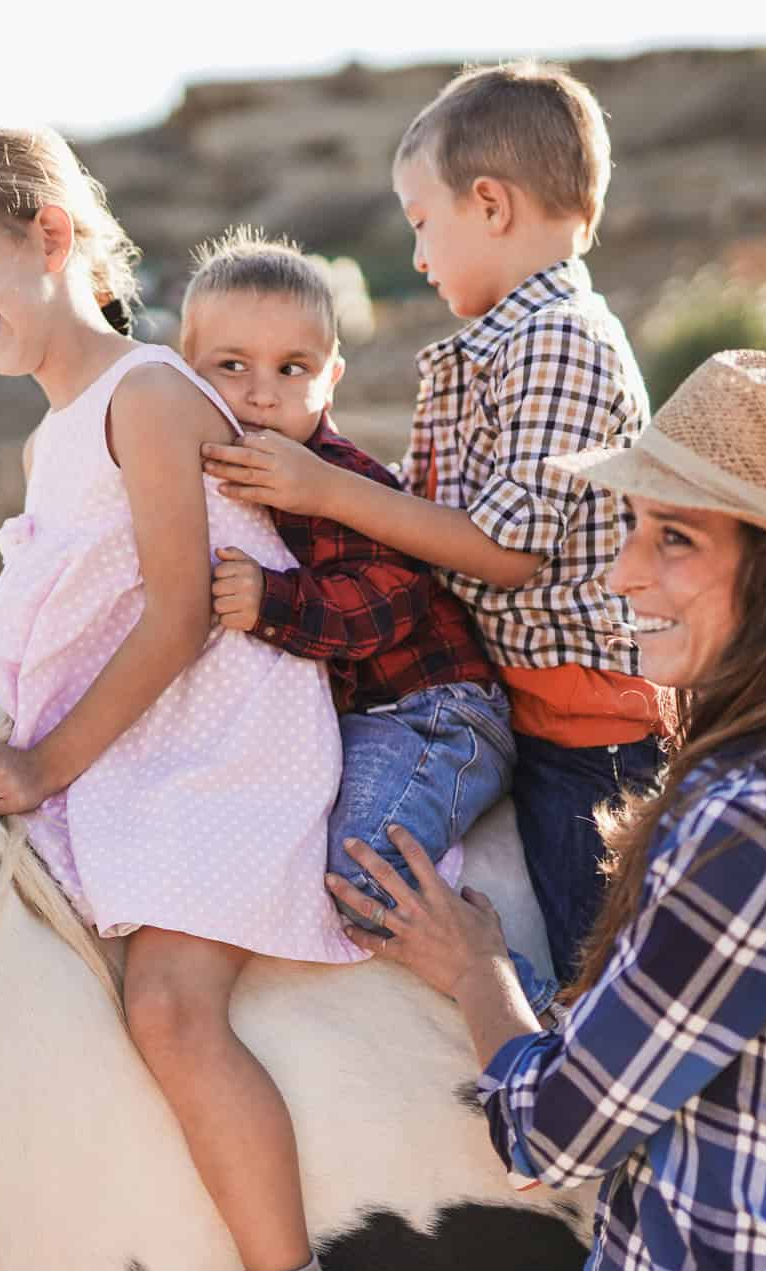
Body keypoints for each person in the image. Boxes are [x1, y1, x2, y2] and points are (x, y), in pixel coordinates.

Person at [0, 128, 363, 1271]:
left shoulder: (152, 393)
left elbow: (179, 616)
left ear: (52, 236)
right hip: (128, 742)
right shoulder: (45, 433)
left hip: (217, 745)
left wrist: (42, 764)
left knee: (169, 1007)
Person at [324, 350, 766, 1271]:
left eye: (673, 540)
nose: (624, 571)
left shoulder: (758, 823)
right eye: (633, 528)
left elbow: (554, 1137)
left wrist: (473, 968)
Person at [202, 60, 662, 987]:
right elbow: (419, 507)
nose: (417, 257)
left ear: (489, 205)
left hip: (589, 727)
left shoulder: (561, 341)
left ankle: (522, 1021)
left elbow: (501, 551)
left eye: (422, 224)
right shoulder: (496, 347)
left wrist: (322, 490)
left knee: (597, 963)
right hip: (524, 697)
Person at [179, 226, 557, 1015]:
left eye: (292, 369)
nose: (260, 392)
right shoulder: (208, 474)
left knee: (361, 874)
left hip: (434, 715)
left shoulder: (343, 480)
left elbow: (388, 597)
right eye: (230, 366)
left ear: (332, 379)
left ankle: (547, 1014)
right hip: (362, 720)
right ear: (186, 370)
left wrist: (275, 605)